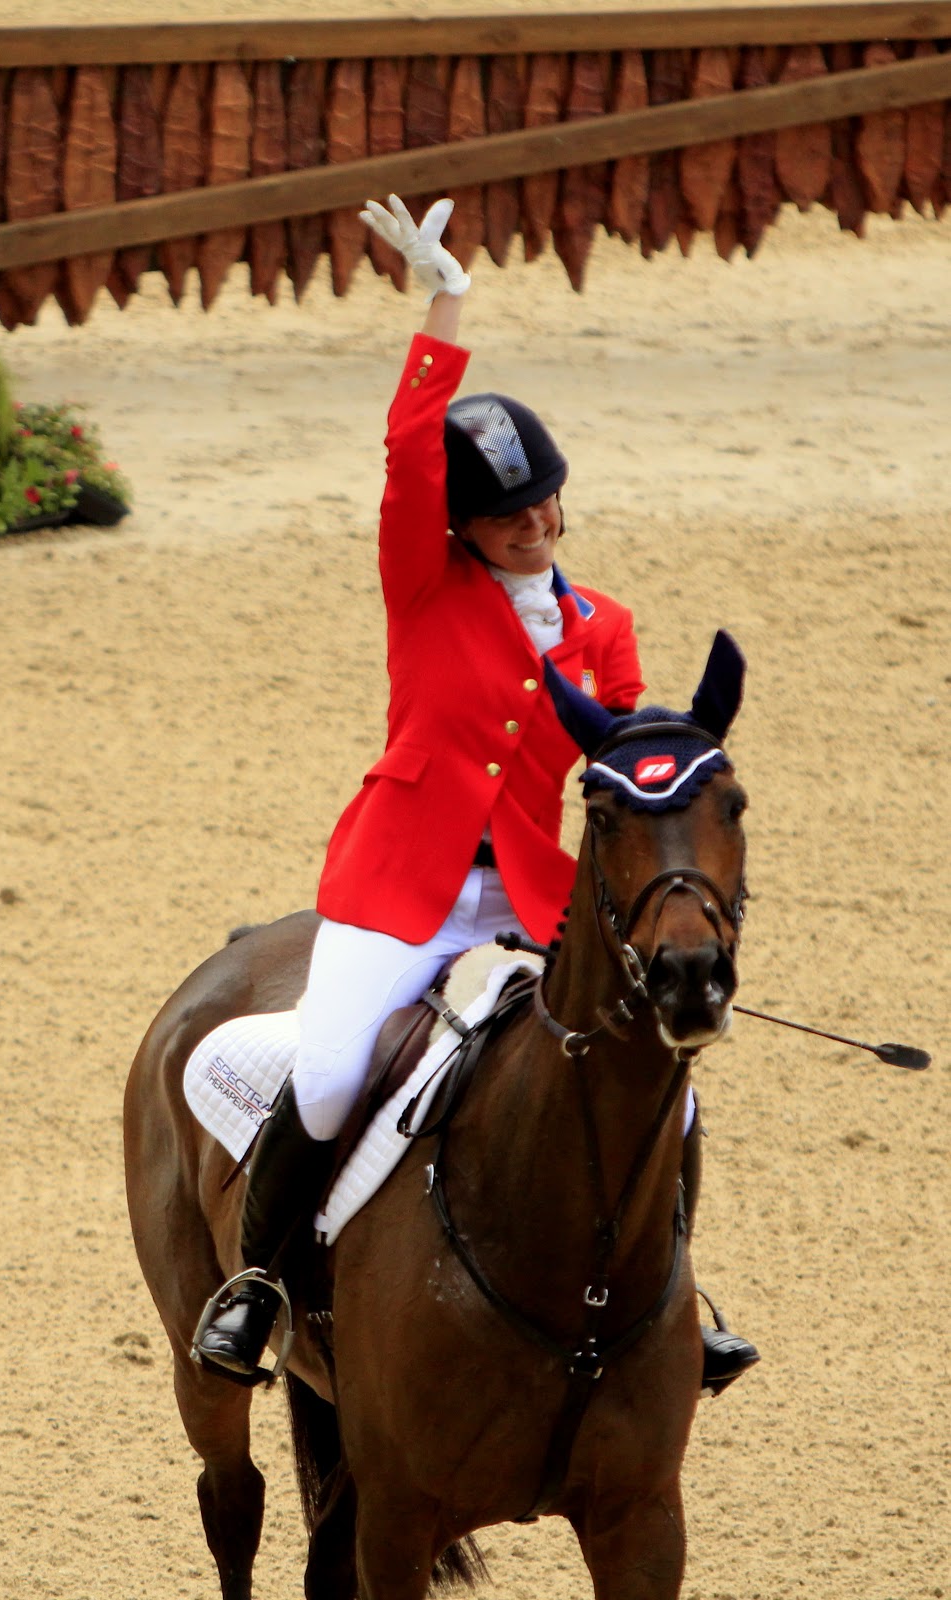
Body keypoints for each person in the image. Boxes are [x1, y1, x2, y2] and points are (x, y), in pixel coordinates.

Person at [196, 196, 757, 1397]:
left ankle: (682, 1300)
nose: (533, 525)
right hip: (401, 885)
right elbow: (406, 453)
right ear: (460, 530)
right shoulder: (421, 584)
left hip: (532, 899)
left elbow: (613, 762)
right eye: (507, 518)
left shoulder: (603, 627)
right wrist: (444, 305)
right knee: (337, 1067)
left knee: (665, 1078)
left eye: (545, 504)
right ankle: (261, 1284)